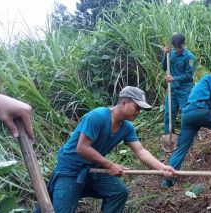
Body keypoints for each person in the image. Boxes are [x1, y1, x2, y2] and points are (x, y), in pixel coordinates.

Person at [34, 86, 176, 213]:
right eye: (137, 107)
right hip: (71, 170)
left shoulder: (127, 127)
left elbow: (141, 151)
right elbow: (82, 148)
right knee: (58, 208)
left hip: (94, 169)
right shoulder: (98, 116)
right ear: (124, 103)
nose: (139, 112)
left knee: (118, 192)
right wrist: (110, 165)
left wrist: (163, 168)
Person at [162, 33, 196, 134]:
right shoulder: (171, 53)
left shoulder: (190, 58)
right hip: (172, 89)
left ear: (184, 44)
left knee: (187, 112)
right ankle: (168, 134)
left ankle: (188, 134)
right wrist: (165, 56)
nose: (177, 50)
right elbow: (165, 68)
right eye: (175, 48)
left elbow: (188, 75)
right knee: (169, 113)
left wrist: (174, 78)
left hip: (184, 89)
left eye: (179, 48)